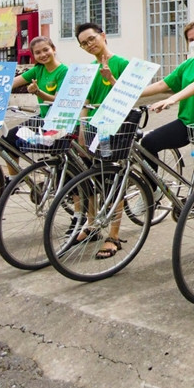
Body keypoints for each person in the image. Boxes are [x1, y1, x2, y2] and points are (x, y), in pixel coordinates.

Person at [75, 22, 131, 260]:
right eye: (84, 43)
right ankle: (91, 224)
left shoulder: (122, 64)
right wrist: (81, 128)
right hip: (95, 128)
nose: (89, 45)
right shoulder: (89, 69)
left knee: (111, 178)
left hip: (116, 128)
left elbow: (131, 97)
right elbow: (87, 101)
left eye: (91, 39)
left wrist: (111, 78)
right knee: (88, 176)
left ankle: (115, 236)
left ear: (103, 36)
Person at [140, 20, 194, 156]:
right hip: (186, 123)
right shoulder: (188, 63)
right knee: (148, 142)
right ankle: (152, 178)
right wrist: (134, 94)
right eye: (191, 40)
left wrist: (173, 98)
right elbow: (163, 84)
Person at [13, 36, 69, 118]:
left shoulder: (64, 71)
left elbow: (57, 100)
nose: (42, 55)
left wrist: (37, 92)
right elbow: (11, 83)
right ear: (34, 55)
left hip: (58, 120)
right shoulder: (38, 69)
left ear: (53, 49)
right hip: (43, 117)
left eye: (46, 50)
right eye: (38, 52)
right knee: (15, 131)